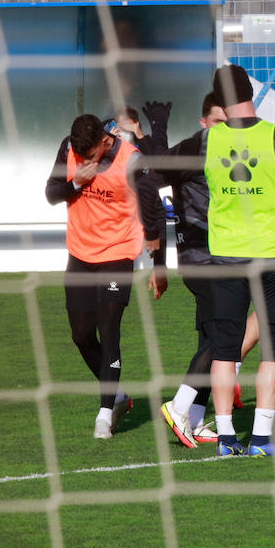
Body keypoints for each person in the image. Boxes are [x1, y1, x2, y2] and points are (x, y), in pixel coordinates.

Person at [180, 63, 275, 456]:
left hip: (223, 255)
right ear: (251, 94)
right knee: (274, 349)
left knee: (224, 349)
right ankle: (260, 438)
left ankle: (226, 439)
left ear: (219, 102)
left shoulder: (205, 141)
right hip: (272, 253)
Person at [45, 112, 168, 440]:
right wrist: (76, 182)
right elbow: (52, 193)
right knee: (81, 335)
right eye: (79, 155)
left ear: (105, 140)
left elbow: (154, 212)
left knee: (108, 326)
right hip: (80, 254)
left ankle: (104, 415)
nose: (85, 160)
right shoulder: (68, 150)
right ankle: (117, 395)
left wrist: (159, 267)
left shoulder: (131, 161)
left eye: (91, 155)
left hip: (118, 253)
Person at [157, 85, 261, 448]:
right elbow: (149, 176)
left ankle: (197, 418)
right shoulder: (193, 152)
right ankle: (180, 405)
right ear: (204, 122)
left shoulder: (225, 153)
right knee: (224, 335)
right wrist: (156, 256)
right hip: (203, 257)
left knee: (211, 337)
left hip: (225, 253)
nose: (224, 128)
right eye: (218, 122)